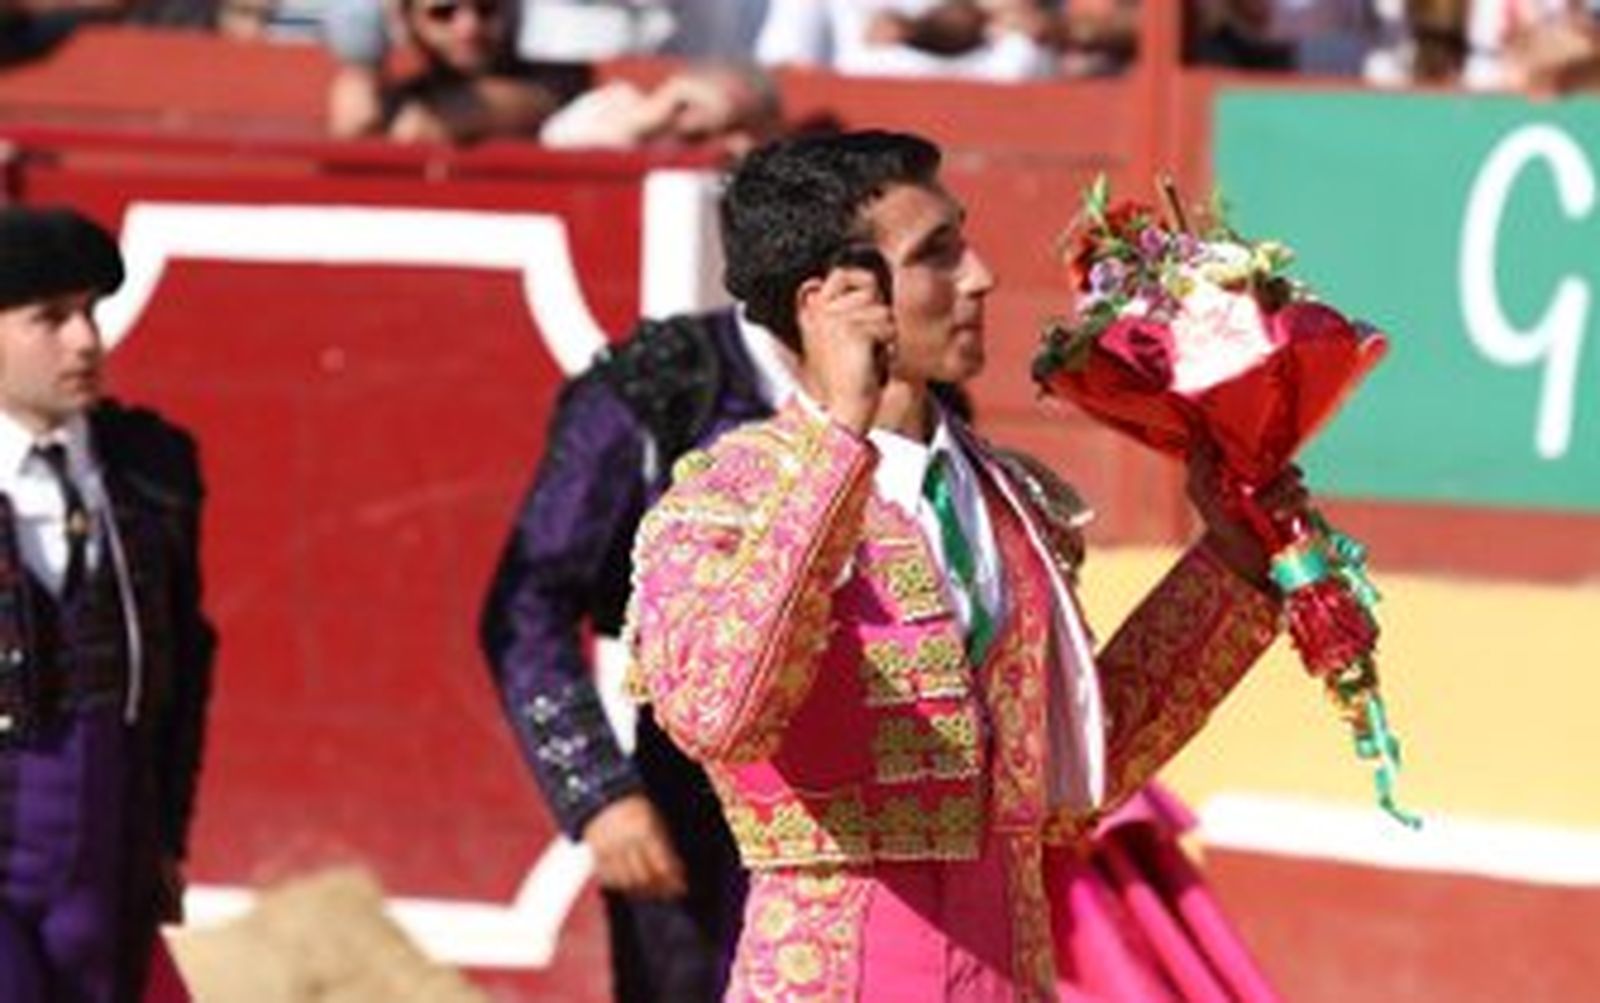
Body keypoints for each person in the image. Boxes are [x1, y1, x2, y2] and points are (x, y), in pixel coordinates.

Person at [625, 130, 1304, 1000]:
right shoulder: (727, 497)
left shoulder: (1014, 500)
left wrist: (1234, 558)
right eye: (937, 255)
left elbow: (1073, 776)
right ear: (833, 300)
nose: (980, 276)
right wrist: (838, 439)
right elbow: (721, 714)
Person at [480, 307, 792, 1000]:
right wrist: (598, 794)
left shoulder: (924, 404)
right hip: (696, 820)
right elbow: (528, 601)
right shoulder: (667, 385)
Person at [0, 206, 216, 1003]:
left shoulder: (147, 466)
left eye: (91, 310)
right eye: (48, 319)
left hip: (106, 848)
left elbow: (185, 657)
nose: (85, 340)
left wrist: (164, 830)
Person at [324, 0, 583, 143]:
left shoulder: (560, 81)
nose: (469, 28)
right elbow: (355, 121)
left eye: (486, 9)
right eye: (444, 12)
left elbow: (428, 125)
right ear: (408, 21)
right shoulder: (410, 95)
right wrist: (362, 66)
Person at [538, 61, 784, 158]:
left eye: (733, 127)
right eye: (697, 137)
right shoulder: (620, 107)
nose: (715, 145)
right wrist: (643, 123)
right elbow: (554, 146)